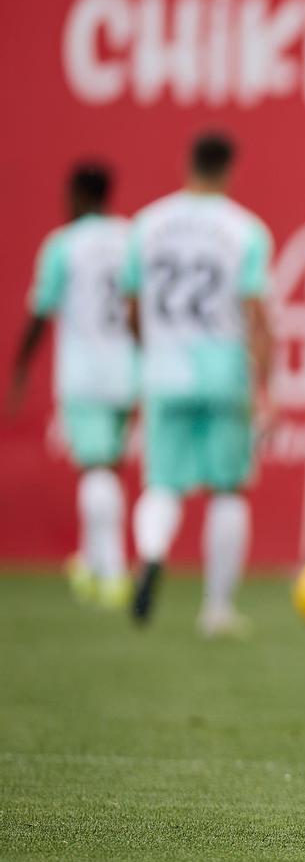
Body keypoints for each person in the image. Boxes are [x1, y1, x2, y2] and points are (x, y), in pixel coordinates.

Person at [126, 132, 274, 635]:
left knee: (162, 481)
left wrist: (149, 353)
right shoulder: (245, 230)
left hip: (165, 368)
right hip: (224, 370)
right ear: (230, 169)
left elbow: (130, 305)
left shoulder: (147, 224)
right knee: (228, 489)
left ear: (186, 161)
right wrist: (266, 387)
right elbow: (256, 312)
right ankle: (217, 608)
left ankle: (151, 553)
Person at [10, 162, 139, 608]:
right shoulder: (130, 239)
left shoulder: (64, 245)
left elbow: (41, 310)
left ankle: (113, 570)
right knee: (110, 467)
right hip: (128, 368)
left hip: (84, 371)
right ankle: (91, 560)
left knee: (95, 467)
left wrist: (21, 367)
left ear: (78, 195)